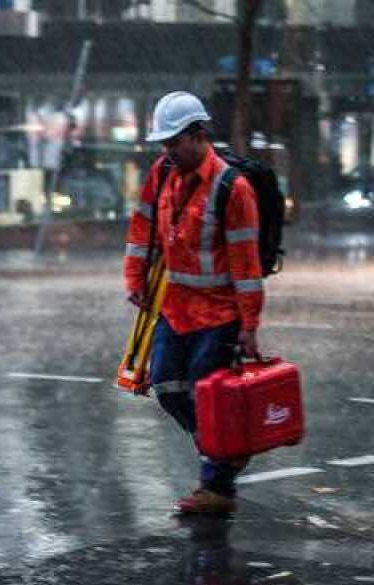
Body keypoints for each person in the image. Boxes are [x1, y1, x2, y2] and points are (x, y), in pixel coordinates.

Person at [124, 91, 264, 515]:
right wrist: (135, 277)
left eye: (173, 143)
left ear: (198, 135)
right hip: (174, 306)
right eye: (163, 144)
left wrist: (249, 324)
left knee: (209, 397)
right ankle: (221, 450)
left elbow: (246, 262)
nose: (167, 152)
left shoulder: (232, 189)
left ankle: (217, 488)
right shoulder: (162, 172)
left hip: (219, 313)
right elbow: (142, 225)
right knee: (167, 387)